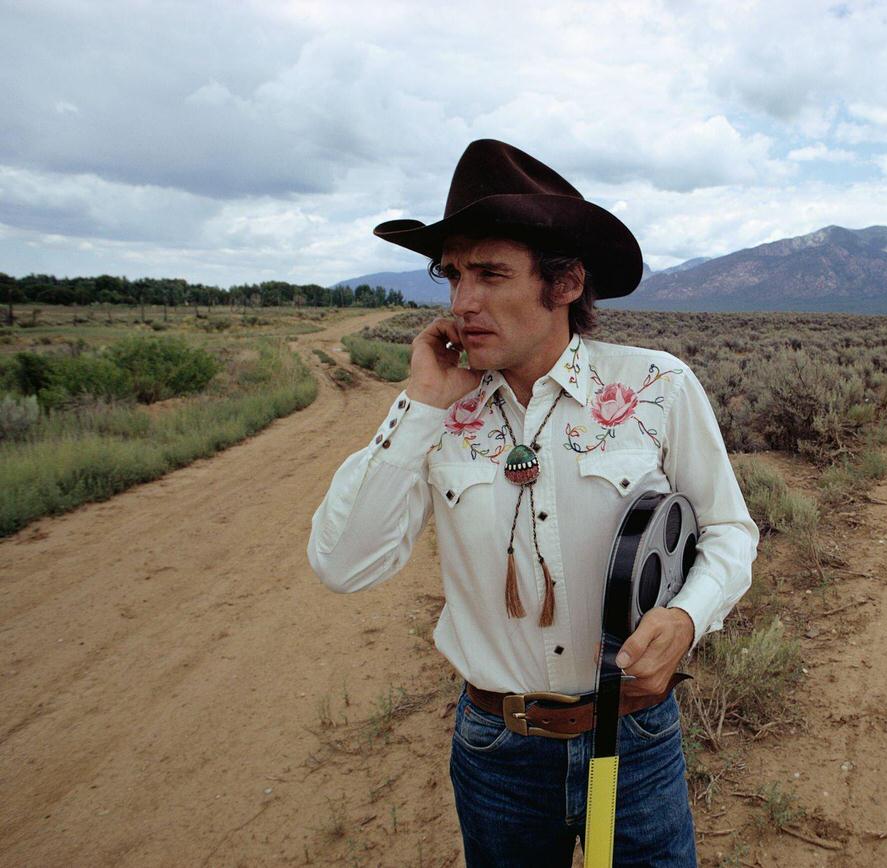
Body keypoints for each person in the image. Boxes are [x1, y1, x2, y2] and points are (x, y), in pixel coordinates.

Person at [307, 139, 758, 867]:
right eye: (454, 275)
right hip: (497, 753)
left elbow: (730, 529)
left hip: (634, 741)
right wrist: (420, 402)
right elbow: (342, 563)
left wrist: (686, 616)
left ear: (566, 282)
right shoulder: (439, 410)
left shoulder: (655, 387)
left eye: (490, 273)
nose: (462, 302)